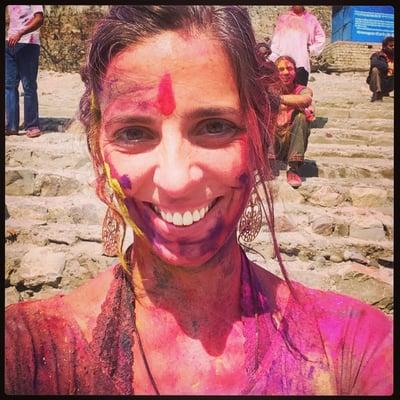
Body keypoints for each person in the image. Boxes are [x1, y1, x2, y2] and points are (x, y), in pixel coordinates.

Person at [5, 6, 392, 395]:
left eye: (215, 127)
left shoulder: (354, 347)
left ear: (258, 140)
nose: (176, 182)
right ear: (97, 153)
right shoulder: (24, 351)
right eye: (134, 133)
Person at [273, 56, 315, 188]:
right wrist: (292, 102)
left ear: (295, 72)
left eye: (289, 68)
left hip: (292, 143)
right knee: (265, 112)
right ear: (275, 73)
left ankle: (294, 169)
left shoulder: (302, 89)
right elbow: (263, 101)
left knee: (301, 116)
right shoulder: (269, 88)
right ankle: (267, 164)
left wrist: (277, 100)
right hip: (272, 142)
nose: (286, 72)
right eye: (281, 69)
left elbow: (306, 100)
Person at [5, 5, 44, 138]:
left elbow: (39, 19)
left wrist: (21, 32)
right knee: (9, 86)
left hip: (29, 44)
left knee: (29, 86)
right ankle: (11, 126)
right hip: (9, 45)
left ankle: (32, 125)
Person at [269, 5, 325, 86]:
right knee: (284, 93)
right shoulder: (284, 19)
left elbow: (321, 38)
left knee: (300, 92)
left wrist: (311, 49)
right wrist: (274, 59)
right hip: (283, 64)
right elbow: (276, 41)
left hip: (301, 64)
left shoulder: (311, 20)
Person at [367, 36, 394, 102]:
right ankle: (377, 94)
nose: (393, 47)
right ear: (384, 47)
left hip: (390, 83)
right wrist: (388, 67)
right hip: (379, 82)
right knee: (375, 70)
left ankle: (385, 92)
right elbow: (374, 63)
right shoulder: (377, 55)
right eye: (391, 45)